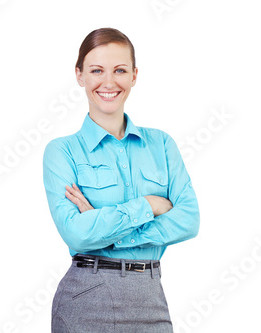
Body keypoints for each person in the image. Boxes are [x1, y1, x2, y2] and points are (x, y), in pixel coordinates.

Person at [43, 27, 200, 332]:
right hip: (86, 299)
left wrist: (105, 229)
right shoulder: (62, 152)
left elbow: (189, 220)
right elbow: (76, 235)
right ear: (79, 75)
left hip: (151, 297)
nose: (109, 82)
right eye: (96, 70)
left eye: (120, 70)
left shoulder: (161, 144)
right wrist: (148, 205)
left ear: (134, 75)